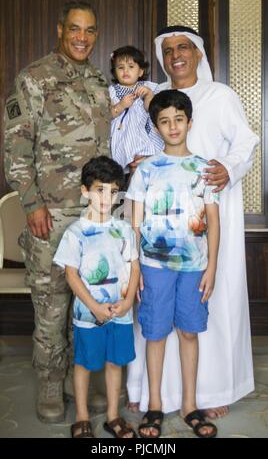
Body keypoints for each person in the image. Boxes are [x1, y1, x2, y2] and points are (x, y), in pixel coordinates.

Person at [127, 25, 259, 419]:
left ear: (199, 54)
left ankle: (212, 389)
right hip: (161, 228)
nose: (176, 55)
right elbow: (144, 146)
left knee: (206, 304)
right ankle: (150, 392)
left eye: (184, 47)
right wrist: (140, 162)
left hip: (210, 216)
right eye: (168, 51)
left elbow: (246, 143)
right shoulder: (155, 98)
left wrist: (229, 169)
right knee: (154, 310)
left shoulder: (221, 96)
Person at [4, 0, 110, 423]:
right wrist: (31, 204)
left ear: (95, 35)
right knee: (51, 305)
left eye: (89, 30)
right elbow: (16, 147)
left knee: (89, 301)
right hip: (50, 214)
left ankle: (81, 379)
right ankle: (50, 384)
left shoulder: (101, 81)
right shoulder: (34, 78)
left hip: (95, 216)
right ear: (60, 30)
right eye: (74, 29)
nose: (82, 37)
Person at [126, 89, 220, 438]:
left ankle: (190, 404)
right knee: (155, 333)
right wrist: (134, 268)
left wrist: (212, 266)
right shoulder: (147, 170)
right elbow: (134, 223)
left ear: (189, 122)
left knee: (189, 332)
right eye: (164, 121)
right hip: (154, 265)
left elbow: (213, 219)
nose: (173, 126)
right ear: (156, 127)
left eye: (179, 119)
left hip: (194, 266)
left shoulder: (204, 168)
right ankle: (154, 405)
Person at [53, 156, 140, 438]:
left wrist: (127, 303)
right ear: (85, 191)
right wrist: (93, 307)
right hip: (89, 315)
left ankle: (114, 416)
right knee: (85, 363)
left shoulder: (124, 229)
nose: (107, 197)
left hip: (120, 312)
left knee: (115, 363)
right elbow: (71, 275)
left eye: (113, 191)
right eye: (100, 190)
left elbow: (134, 266)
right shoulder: (75, 233)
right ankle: (81, 417)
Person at [109, 45, 163, 172]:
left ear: (140, 71)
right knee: (130, 167)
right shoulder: (112, 91)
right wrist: (121, 105)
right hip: (123, 135)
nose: (125, 71)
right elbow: (109, 114)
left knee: (144, 166)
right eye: (120, 67)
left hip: (143, 133)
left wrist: (149, 95)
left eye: (131, 67)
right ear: (115, 72)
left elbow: (152, 111)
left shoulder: (149, 87)